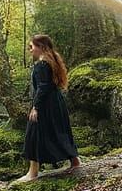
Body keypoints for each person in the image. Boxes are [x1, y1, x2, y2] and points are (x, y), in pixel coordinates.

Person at [13, 34, 83, 183]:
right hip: (56, 102)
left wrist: (35, 107)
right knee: (59, 130)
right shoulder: (52, 61)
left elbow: (43, 87)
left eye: (32, 47)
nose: (30, 50)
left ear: (41, 47)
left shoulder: (42, 64)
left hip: (45, 104)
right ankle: (75, 161)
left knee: (34, 133)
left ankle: (33, 173)